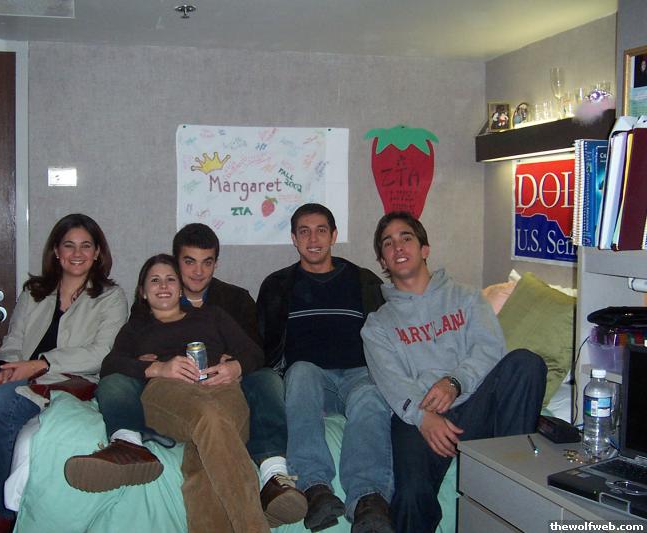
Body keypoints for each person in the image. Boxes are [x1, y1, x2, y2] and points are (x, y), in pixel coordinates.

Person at [66, 223, 307, 527]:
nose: (164, 286)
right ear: (142, 292)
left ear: (179, 287)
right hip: (171, 395)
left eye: (170, 280)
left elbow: (254, 352)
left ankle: (271, 474)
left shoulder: (214, 315)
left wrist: (234, 367)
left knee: (203, 464)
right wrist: (156, 368)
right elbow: (111, 365)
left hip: (223, 390)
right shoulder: (138, 326)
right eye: (155, 280)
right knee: (211, 418)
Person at [361, 211, 547, 533]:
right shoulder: (378, 325)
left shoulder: (467, 297)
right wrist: (424, 417)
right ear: (383, 260)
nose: (398, 246)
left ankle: (508, 480)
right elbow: (392, 381)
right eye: (388, 243)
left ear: (425, 249)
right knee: (410, 496)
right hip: (421, 414)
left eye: (406, 237)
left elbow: (490, 348)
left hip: (474, 403)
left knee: (526, 363)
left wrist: (455, 382)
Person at [0, 213, 128, 532]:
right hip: (21, 377)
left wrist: (41, 364)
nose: (77, 253)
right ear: (56, 251)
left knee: (0, 404)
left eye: (86, 245)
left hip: (67, 382)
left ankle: (4, 514)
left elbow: (102, 353)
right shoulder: (35, 291)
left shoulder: (110, 297)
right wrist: (6, 368)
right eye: (68, 245)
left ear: (98, 252)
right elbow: (13, 340)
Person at [257, 203, 395, 533]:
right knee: (301, 371)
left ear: (333, 236)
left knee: (371, 393)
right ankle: (315, 489)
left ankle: (368, 499)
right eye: (304, 232)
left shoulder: (364, 281)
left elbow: (392, 333)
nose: (313, 239)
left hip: (358, 375)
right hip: (308, 379)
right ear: (294, 239)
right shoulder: (277, 285)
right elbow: (261, 343)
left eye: (321, 230)